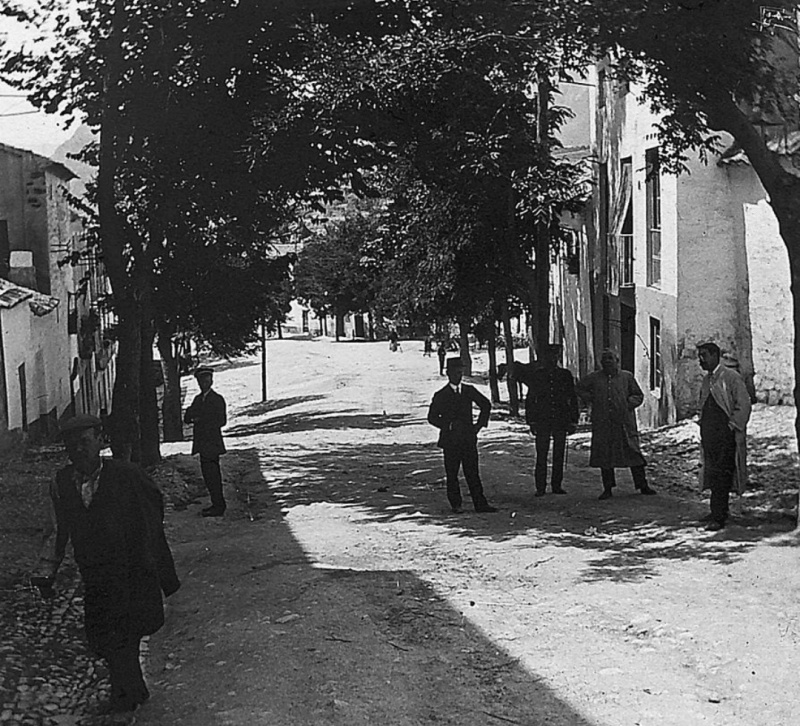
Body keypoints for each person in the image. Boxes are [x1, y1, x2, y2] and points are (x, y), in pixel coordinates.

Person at [30, 414, 180, 718]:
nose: (78, 450)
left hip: (131, 571)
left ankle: (123, 697)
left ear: (100, 442)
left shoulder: (127, 476)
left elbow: (152, 517)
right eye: (72, 446)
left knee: (125, 633)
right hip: (95, 576)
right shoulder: (61, 484)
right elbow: (57, 531)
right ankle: (133, 689)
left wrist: (154, 563)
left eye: (84, 442)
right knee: (103, 636)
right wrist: (46, 573)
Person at [576, 349, 656, 499]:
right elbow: (579, 388)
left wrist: (628, 404)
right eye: (604, 359)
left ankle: (642, 485)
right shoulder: (595, 378)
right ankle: (608, 488)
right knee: (605, 456)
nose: (607, 361)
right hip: (603, 423)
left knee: (633, 453)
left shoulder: (627, 377)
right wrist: (591, 398)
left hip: (624, 422)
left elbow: (638, 395)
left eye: (610, 358)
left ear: (617, 361)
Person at [427, 357, 497, 513]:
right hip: (450, 441)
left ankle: (480, 504)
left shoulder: (468, 391)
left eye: (460, 372)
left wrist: (478, 426)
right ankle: (456, 505)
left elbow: (485, 404)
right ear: (448, 373)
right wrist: (448, 425)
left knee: (472, 473)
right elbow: (432, 417)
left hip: (468, 439)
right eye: (454, 372)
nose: (457, 375)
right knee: (452, 475)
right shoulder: (441, 395)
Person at [697, 342, 751, 531]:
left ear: (715, 355)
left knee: (722, 475)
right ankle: (716, 511)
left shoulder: (731, 377)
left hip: (725, 437)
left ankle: (719, 517)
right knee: (712, 473)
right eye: (699, 356)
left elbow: (743, 404)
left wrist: (732, 426)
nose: (700, 360)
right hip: (710, 436)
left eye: (704, 355)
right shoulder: (706, 380)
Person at [514, 345, 579, 496]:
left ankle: (557, 485)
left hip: (561, 419)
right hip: (542, 419)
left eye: (555, 356)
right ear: (544, 358)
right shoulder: (537, 375)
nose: (552, 359)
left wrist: (573, 420)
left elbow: (572, 398)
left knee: (559, 454)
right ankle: (540, 487)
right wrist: (531, 421)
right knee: (541, 454)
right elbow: (531, 399)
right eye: (550, 356)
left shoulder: (565, 375)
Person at [184, 365, 228, 517]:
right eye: (202, 380)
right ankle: (217, 504)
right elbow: (187, 418)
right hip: (203, 443)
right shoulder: (197, 400)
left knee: (213, 475)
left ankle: (219, 505)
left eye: (207, 379)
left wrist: (201, 419)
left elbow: (221, 420)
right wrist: (193, 416)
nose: (205, 382)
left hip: (212, 443)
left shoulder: (217, 399)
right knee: (208, 476)